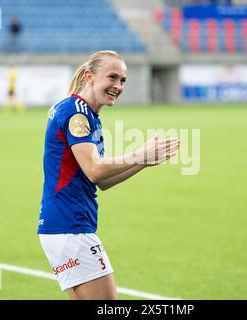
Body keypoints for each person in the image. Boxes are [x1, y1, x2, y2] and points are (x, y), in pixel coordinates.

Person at [37, 50, 180, 300]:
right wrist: (139, 153)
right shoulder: (77, 113)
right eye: (112, 77)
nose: (118, 86)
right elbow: (94, 170)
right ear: (90, 76)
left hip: (62, 227)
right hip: (71, 228)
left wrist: (143, 162)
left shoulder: (86, 114)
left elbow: (101, 181)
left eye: (123, 80)